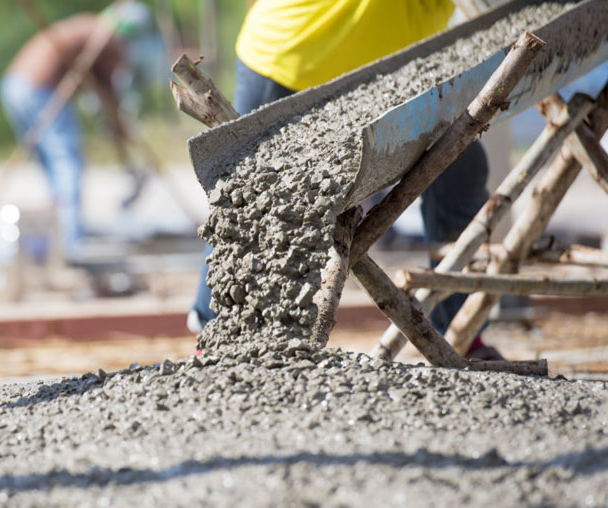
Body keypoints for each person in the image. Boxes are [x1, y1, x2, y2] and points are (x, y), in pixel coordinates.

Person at [189, 0, 500, 359]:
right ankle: (217, 339)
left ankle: (462, 332)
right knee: (252, 199)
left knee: (459, 169)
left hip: (396, 71)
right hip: (294, 56)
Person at [0, 1, 153, 261]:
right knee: (66, 161)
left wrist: (118, 131)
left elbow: (103, 94)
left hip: (14, 86)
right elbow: (109, 94)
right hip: (39, 89)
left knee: (53, 167)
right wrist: (123, 134)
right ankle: (71, 242)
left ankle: (60, 233)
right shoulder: (107, 39)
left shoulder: (89, 29)